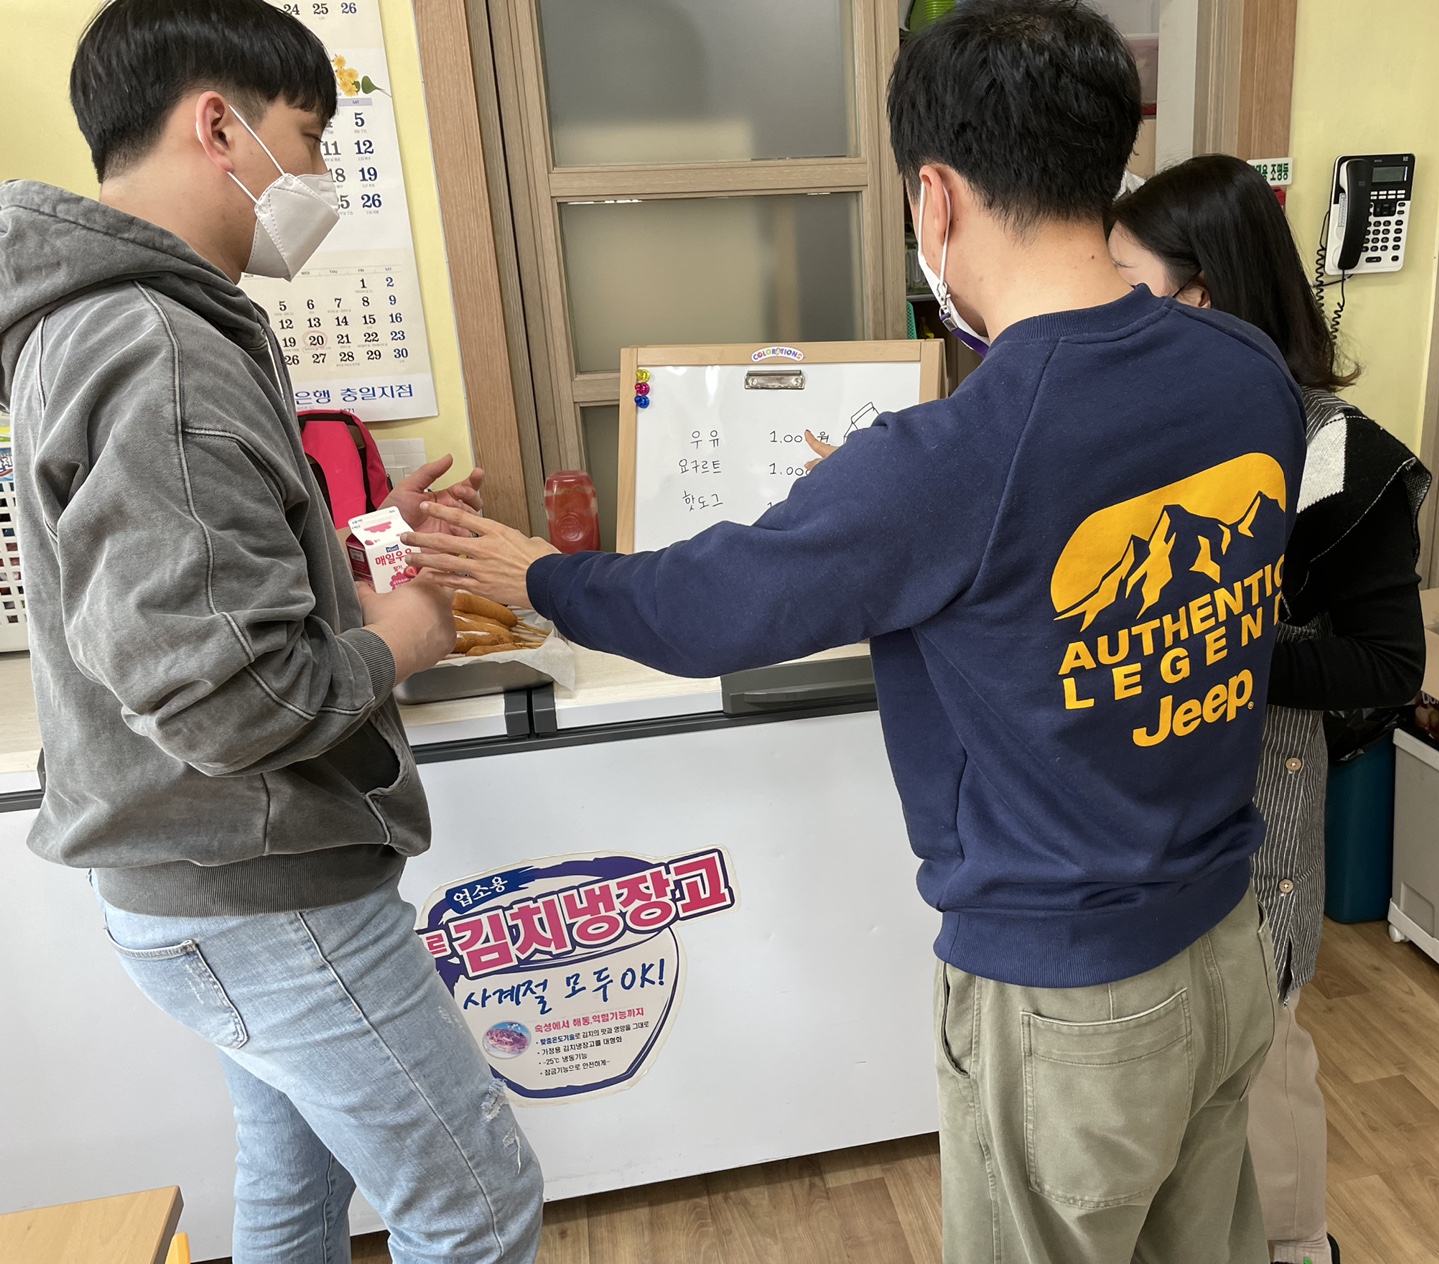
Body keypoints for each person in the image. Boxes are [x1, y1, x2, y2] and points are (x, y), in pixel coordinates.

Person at [407, 4, 1304, 1260]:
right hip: (1229, 947)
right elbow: (1069, 514)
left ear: (934, 197)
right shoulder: (1245, 367)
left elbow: (706, 609)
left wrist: (543, 572)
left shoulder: (950, 456)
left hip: (1072, 1000)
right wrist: (884, 507)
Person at [0, 1, 544, 1260]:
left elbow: (175, 592)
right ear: (218, 126)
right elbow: (231, 699)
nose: (318, 178)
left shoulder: (94, 324)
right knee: (476, 1204)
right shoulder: (159, 347)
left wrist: (348, 554)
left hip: (199, 876)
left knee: (294, 1184)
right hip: (261, 884)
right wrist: (406, 636)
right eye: (307, 140)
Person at [1111, 154, 1431, 1264]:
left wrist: (1216, 648)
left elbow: (1388, 667)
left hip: (1259, 822)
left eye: (1125, 283)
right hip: (1149, 823)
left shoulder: (1338, 457)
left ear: (1198, 295)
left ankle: (1298, 1250)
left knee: (1261, 1066)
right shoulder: (1141, 431)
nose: (1104, 308)